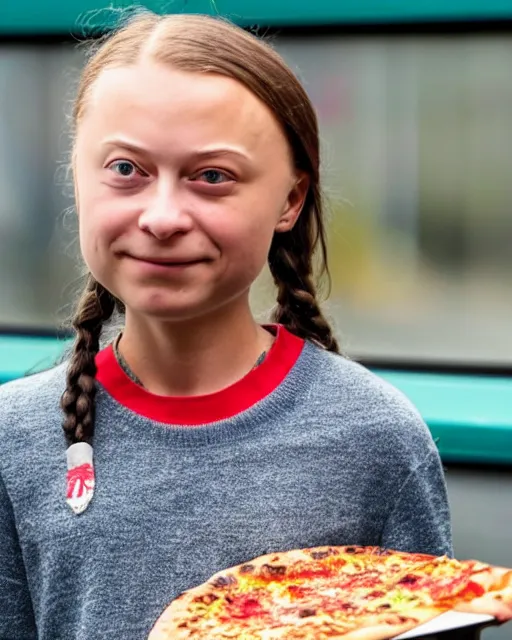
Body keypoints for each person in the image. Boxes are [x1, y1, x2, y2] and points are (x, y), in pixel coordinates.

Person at [0, 10, 452, 640]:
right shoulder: (10, 442)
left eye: (212, 176)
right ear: (77, 180)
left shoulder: (376, 440)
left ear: (290, 200)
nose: (161, 217)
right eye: (126, 169)